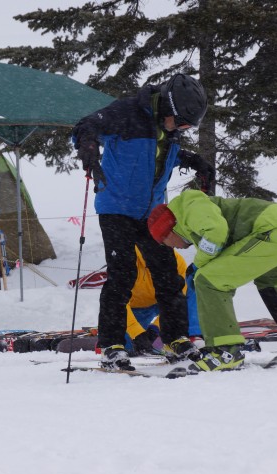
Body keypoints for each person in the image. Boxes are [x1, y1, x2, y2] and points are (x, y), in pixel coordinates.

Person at [72, 73, 213, 371]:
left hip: (151, 211)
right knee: (122, 276)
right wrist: (87, 148)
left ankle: (176, 339)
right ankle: (111, 346)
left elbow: (159, 155)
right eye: (182, 122)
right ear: (168, 105)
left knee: (168, 276)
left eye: (188, 125)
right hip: (117, 207)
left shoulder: (167, 126)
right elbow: (87, 124)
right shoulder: (126, 113)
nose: (182, 128)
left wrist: (192, 161)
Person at [147, 189, 277, 372]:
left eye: (164, 242)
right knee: (272, 283)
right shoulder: (195, 220)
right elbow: (222, 246)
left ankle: (226, 351)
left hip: (274, 230)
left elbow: (216, 232)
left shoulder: (188, 205)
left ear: (167, 232)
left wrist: (198, 266)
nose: (173, 247)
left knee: (207, 280)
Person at [124, 247, 198, 357]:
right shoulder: (126, 259)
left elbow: (179, 300)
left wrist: (156, 328)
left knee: (192, 288)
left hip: (163, 303)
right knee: (127, 346)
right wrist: (137, 333)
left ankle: (191, 337)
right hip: (135, 309)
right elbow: (119, 302)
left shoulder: (176, 260)